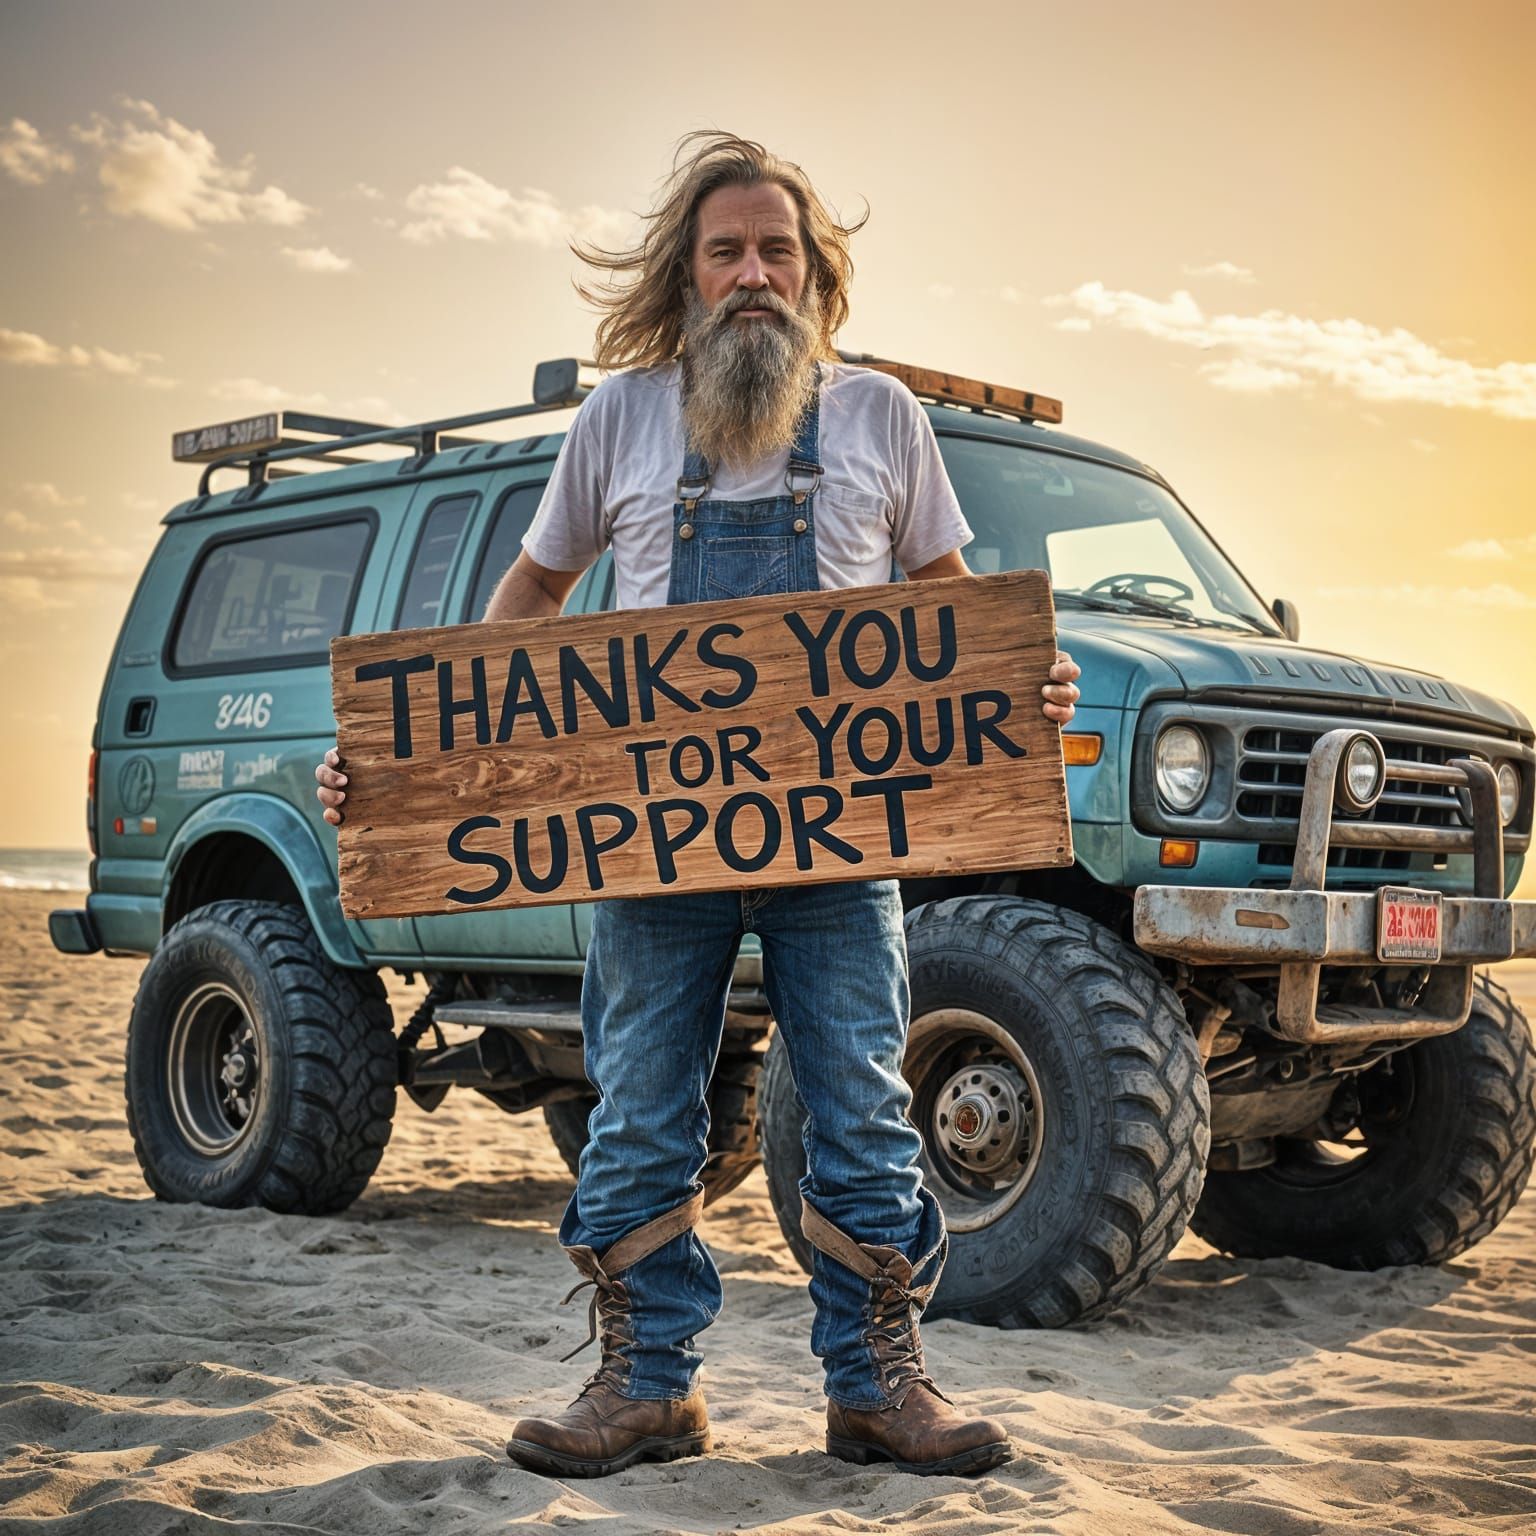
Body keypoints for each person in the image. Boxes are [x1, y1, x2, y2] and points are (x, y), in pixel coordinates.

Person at [317, 131, 1081, 1480]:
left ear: (815, 277)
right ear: (684, 277)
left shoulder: (881, 418)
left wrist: (1021, 690)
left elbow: (947, 609)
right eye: (724, 251)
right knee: (642, 1106)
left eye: (776, 250)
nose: (752, 275)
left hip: (843, 838)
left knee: (858, 1099)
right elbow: (534, 602)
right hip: (648, 839)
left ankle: (876, 1387)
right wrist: (410, 764)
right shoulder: (617, 419)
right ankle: (645, 1385)